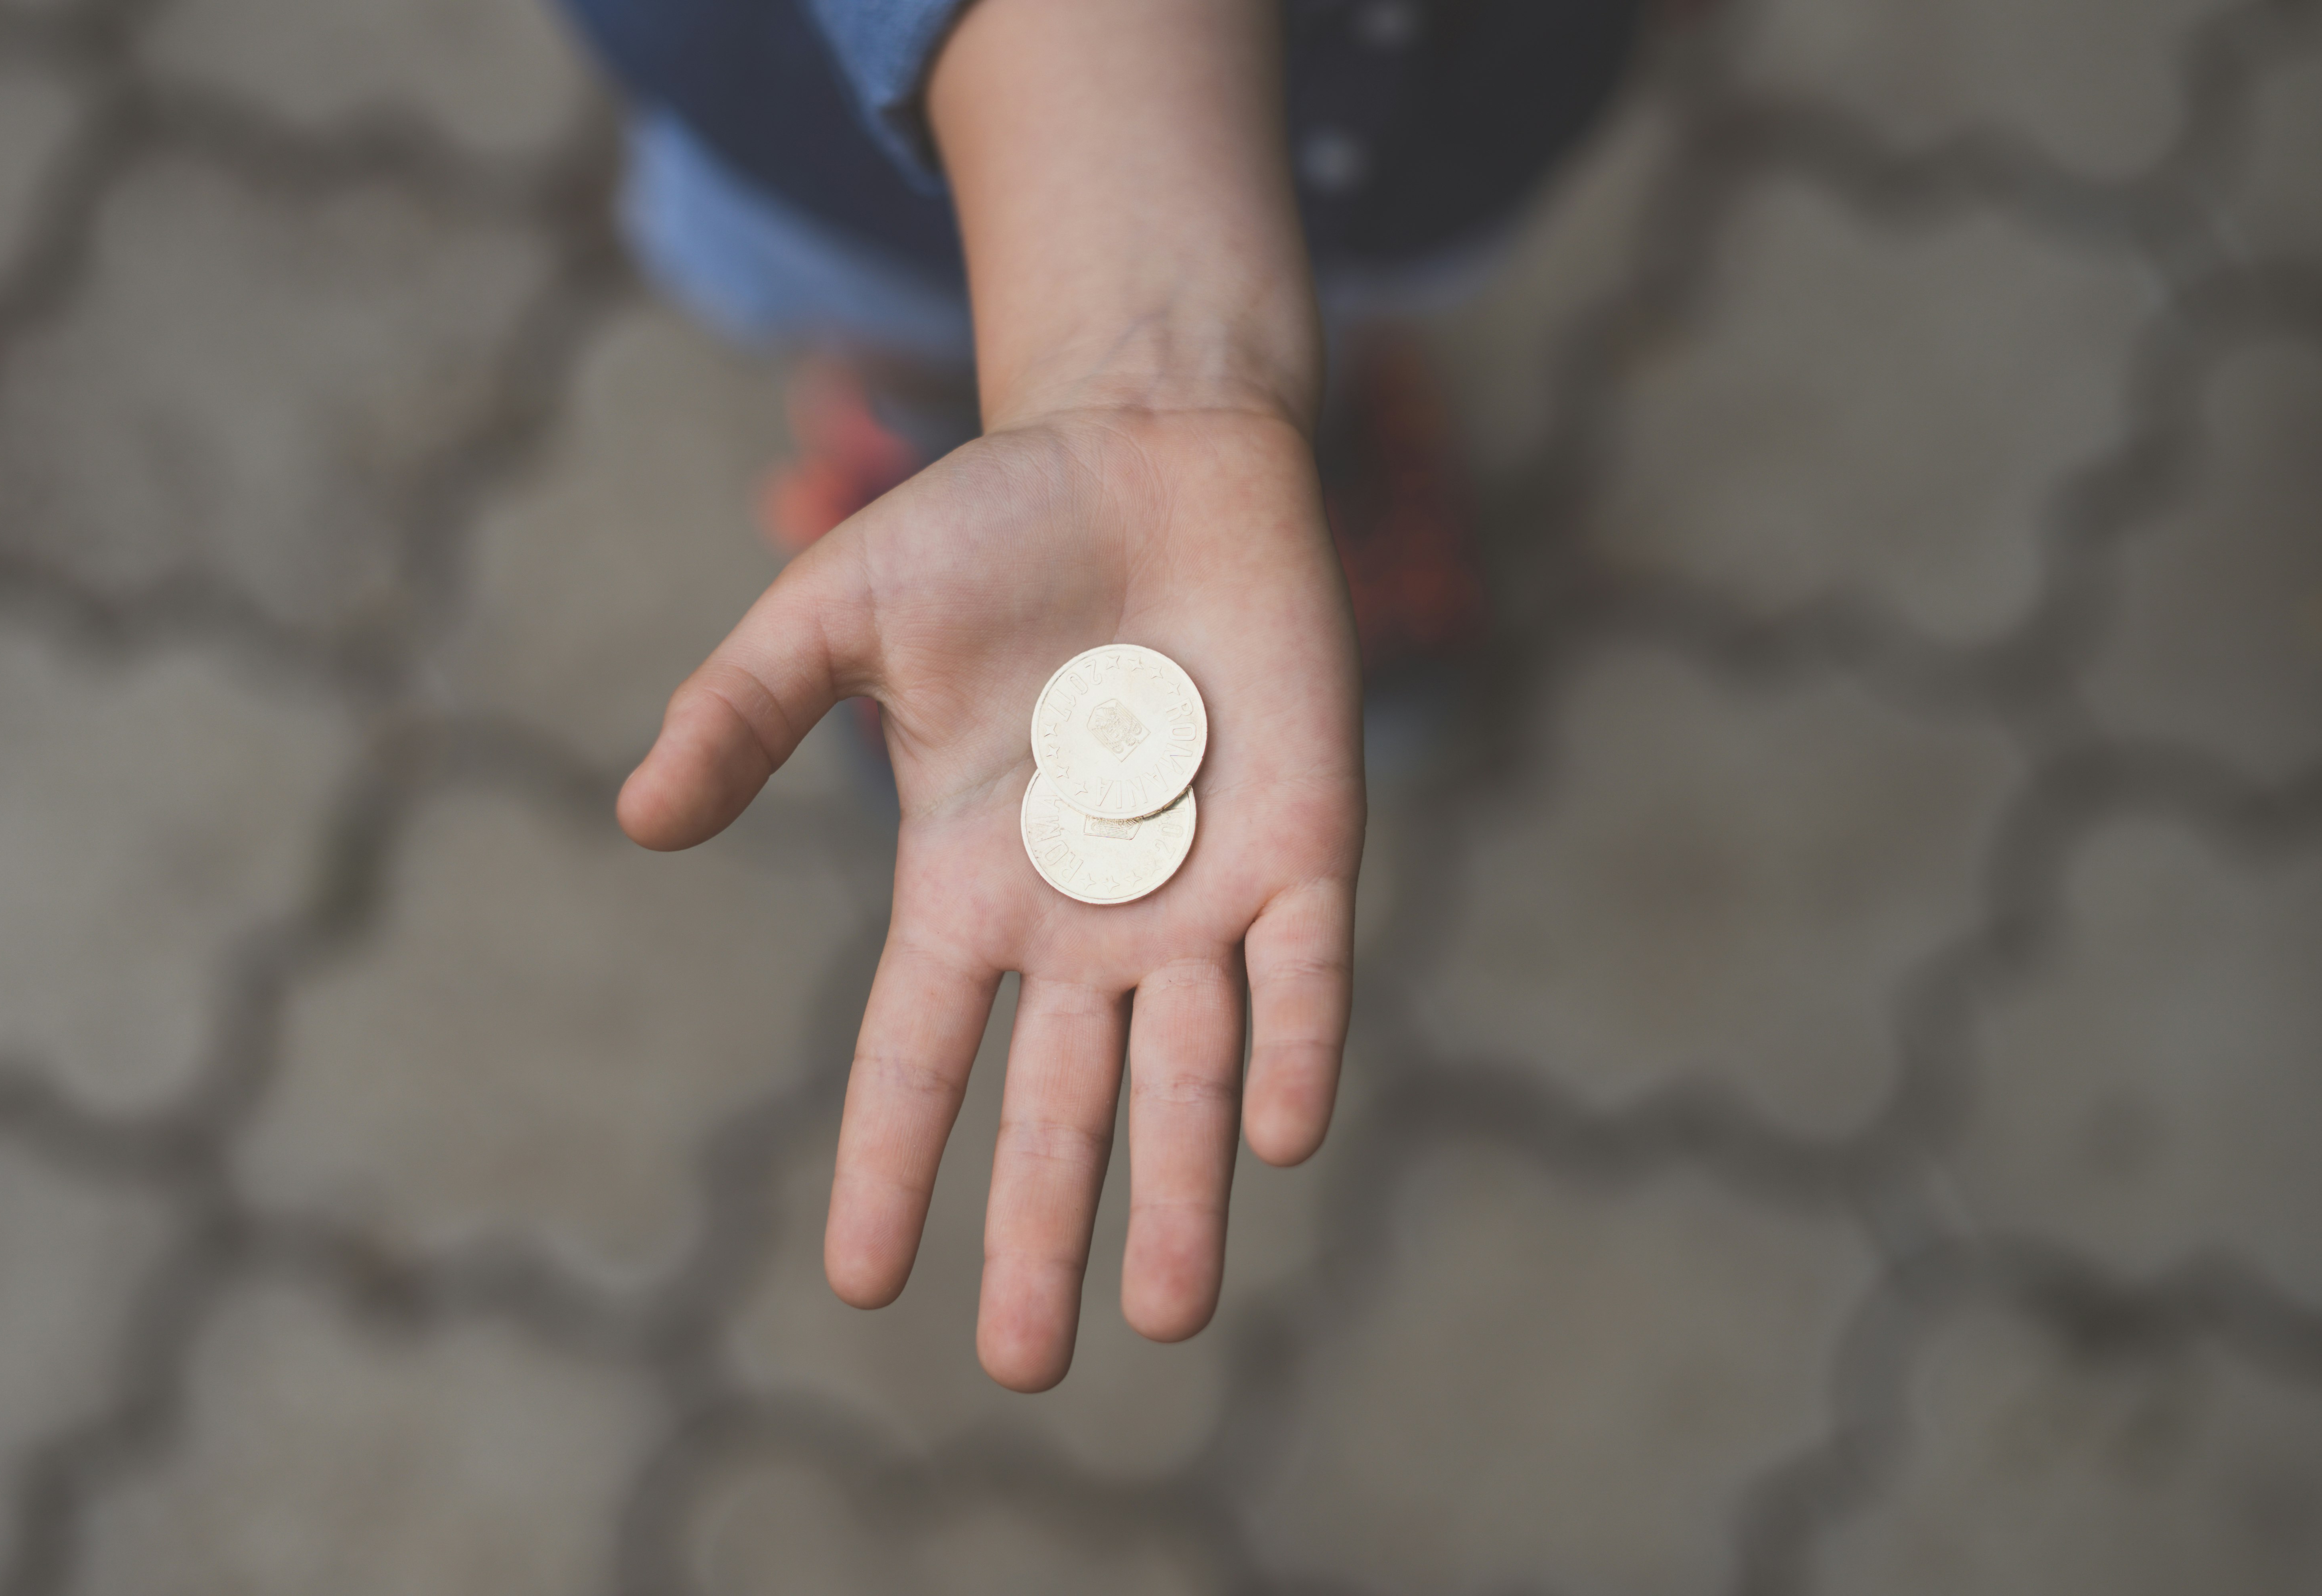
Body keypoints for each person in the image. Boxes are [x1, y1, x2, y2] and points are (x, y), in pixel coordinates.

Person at [556, 0, 1642, 1391]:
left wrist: (1189, 377)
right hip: (839, 127)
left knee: (1353, 290)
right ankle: (946, 436)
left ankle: (1296, 428)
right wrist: (1136, 365)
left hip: (1447, 83)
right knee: (893, 305)